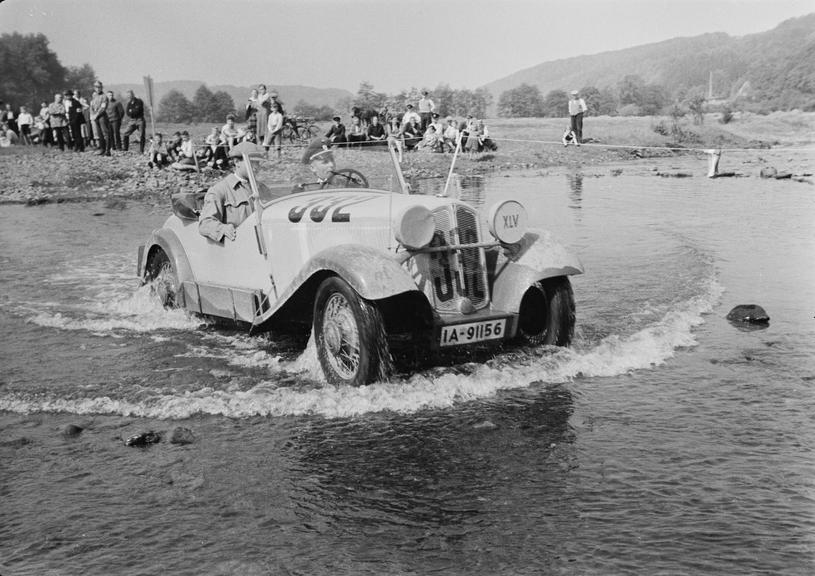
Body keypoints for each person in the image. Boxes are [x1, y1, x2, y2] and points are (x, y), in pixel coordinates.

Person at [198, 142, 266, 242]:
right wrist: (223, 228)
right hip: (239, 245)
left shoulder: (262, 188)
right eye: (252, 162)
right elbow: (205, 223)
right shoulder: (220, 190)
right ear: (237, 162)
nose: (256, 167)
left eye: (258, 163)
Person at [90, 81, 111, 156]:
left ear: (101, 87)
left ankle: (108, 150)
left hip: (101, 116)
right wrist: (92, 114)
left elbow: (103, 107)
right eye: (96, 87)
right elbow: (91, 106)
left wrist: (96, 115)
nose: (97, 88)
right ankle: (102, 149)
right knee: (99, 134)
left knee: (105, 133)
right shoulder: (94, 96)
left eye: (99, 87)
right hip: (95, 116)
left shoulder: (104, 96)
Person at [123, 89, 146, 154]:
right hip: (132, 120)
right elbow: (127, 112)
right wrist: (132, 111)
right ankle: (125, 149)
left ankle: (141, 150)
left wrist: (132, 111)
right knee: (125, 133)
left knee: (142, 135)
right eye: (128, 96)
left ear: (133, 95)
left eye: (130, 95)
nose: (129, 97)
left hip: (140, 120)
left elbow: (138, 110)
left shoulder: (139, 101)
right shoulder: (129, 103)